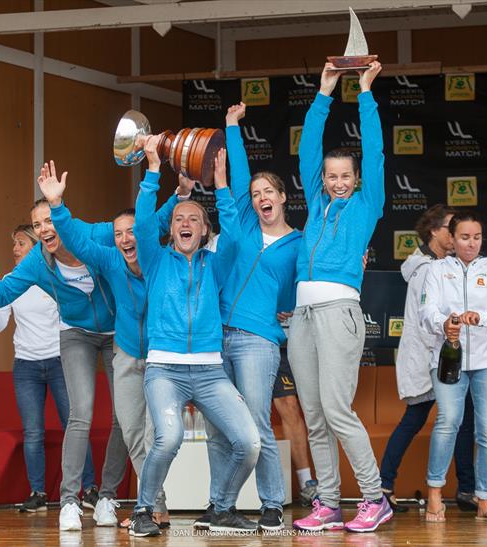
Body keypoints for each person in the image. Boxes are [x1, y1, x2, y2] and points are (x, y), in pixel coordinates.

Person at [0, 167, 129, 532]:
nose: (43, 229)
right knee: (80, 413)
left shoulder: (94, 235)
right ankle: (70, 501)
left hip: (119, 332)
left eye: (48, 220)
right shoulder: (38, 260)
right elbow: (1, 296)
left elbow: (131, 232)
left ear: (61, 216)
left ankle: (107, 497)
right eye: (36, 225)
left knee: (124, 415)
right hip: (75, 334)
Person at [38, 169, 194, 529]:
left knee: (157, 434)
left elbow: (156, 219)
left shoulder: (158, 260)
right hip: (125, 355)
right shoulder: (109, 260)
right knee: (132, 432)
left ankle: (154, 505)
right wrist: (57, 205)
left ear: (142, 236)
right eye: (118, 234)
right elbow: (77, 241)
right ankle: (156, 506)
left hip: (160, 360)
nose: (125, 239)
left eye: (131, 232)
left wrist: (179, 195)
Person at [128, 138, 260, 537]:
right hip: (165, 369)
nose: (185, 224)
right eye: (179, 219)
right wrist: (152, 170)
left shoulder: (215, 264)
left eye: (194, 220)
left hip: (209, 370)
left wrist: (221, 185)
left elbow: (236, 238)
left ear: (204, 232)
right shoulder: (153, 259)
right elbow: (140, 223)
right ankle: (143, 511)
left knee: (249, 442)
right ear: (171, 230)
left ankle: (221, 507)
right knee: (169, 439)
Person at [289, 60, 393, 534]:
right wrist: (325, 93)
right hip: (303, 315)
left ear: (355, 178)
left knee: (336, 409)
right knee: (313, 415)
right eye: (330, 175)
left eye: (344, 175)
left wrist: (365, 93)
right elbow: (307, 152)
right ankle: (328, 503)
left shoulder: (366, 206)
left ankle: (374, 496)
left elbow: (375, 152)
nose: (335, 181)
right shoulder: (317, 202)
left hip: (338, 312)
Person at [194, 102, 303, 532]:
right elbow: (238, 175)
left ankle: (272, 503)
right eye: (255, 194)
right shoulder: (241, 222)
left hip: (258, 339)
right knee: (219, 427)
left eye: (268, 193)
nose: (260, 198)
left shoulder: (296, 244)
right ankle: (219, 504)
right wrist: (231, 127)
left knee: (256, 421)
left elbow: (298, 291)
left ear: (282, 197)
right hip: (216, 335)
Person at [0, 224, 98, 513]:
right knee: (32, 432)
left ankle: (90, 488)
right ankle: (38, 493)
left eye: (20, 243)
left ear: (35, 246)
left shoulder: (53, 276)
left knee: (74, 424)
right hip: (26, 365)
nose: (14, 249)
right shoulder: (11, 280)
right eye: (14, 244)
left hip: (60, 360)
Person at [420, 210, 487, 523]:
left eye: (476, 238)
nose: (471, 243)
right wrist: (445, 323)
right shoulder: (436, 269)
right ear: (452, 237)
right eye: (464, 237)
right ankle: (435, 493)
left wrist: (482, 316)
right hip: (450, 356)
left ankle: (485, 501)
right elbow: (427, 312)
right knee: (448, 421)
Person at [379, 205, 477, 512]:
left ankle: (467, 489)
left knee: (464, 419)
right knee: (415, 419)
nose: (456, 233)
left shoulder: (448, 264)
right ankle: (382, 487)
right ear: (434, 232)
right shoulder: (423, 269)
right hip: (428, 356)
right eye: (451, 228)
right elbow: (429, 317)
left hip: (448, 354)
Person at [272, 346, 318, 506]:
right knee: (288, 403)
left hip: (309, 342)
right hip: (273, 341)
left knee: (320, 406)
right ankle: (306, 483)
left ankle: (324, 485)